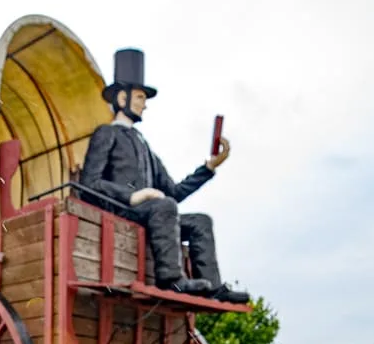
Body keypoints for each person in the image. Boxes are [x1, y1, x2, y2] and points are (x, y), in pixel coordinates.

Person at [77, 48, 250, 304]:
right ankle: (171, 280)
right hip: (119, 210)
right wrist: (133, 196)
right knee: (163, 205)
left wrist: (209, 168)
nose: (144, 103)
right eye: (139, 96)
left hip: (153, 214)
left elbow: (173, 192)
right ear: (122, 98)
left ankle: (213, 287)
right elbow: (88, 185)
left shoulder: (144, 147)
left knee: (200, 221)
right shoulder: (107, 134)